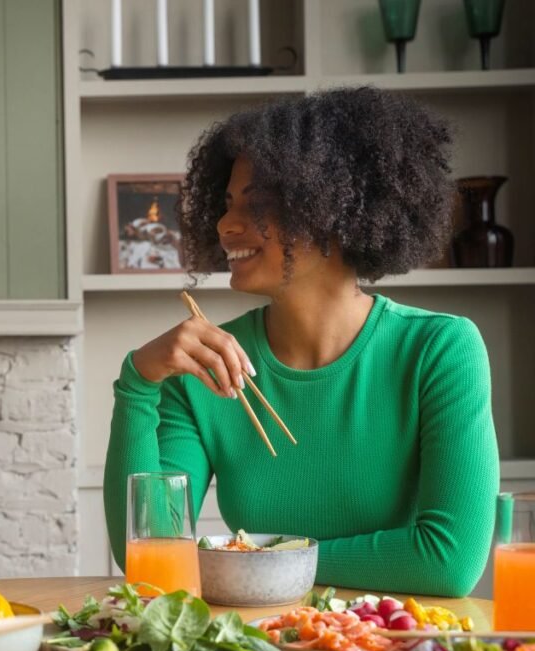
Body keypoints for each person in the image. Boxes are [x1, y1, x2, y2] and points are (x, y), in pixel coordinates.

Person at [103, 86, 499, 597]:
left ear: (331, 210)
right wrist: (138, 382)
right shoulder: (209, 365)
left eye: (258, 204)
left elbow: (448, 561)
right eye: (225, 204)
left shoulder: (440, 351)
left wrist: (262, 562)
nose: (225, 224)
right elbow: (151, 558)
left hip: (387, 650)